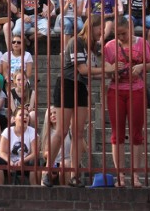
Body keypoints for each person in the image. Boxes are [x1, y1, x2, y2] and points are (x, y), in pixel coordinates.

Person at [42, 15, 115, 188]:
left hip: (81, 87)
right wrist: (107, 69)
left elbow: (94, 72)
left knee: (79, 132)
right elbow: (82, 69)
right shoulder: (77, 41)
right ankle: (47, 171)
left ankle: (75, 175)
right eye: (100, 29)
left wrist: (112, 72)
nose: (102, 32)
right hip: (67, 85)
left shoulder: (95, 47)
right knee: (61, 131)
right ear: (92, 26)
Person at [103, 17, 150, 188]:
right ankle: (120, 175)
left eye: (124, 34)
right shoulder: (110, 46)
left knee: (136, 133)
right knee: (116, 134)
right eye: (117, 35)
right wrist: (113, 71)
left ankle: (135, 174)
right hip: (116, 90)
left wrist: (141, 66)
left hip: (137, 89)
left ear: (130, 29)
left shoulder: (141, 43)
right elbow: (105, 70)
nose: (121, 37)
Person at [0, 106, 39, 185]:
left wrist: (22, 161)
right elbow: (2, 152)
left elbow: (34, 153)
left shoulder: (32, 132)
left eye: (27, 115)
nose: (25, 117)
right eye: (21, 115)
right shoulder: (7, 131)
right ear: (14, 118)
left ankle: (34, 189)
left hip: (25, 163)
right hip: (9, 163)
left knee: (35, 161)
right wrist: (10, 162)